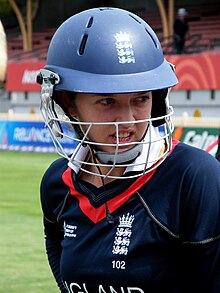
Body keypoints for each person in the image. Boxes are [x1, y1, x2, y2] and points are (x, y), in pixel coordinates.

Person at [37, 7, 220, 293]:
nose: (128, 120)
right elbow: (55, 245)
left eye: (140, 99)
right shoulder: (56, 184)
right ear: (68, 103)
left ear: (157, 101)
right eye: (107, 101)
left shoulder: (194, 177)